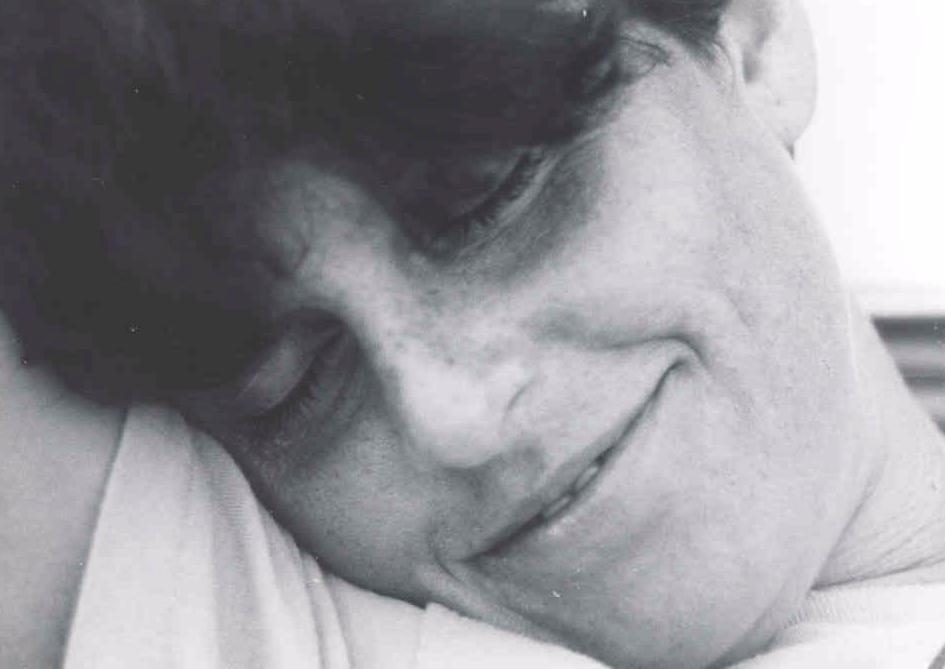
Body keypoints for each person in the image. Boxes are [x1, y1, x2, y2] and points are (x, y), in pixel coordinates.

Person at [2, 0, 944, 667]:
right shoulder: (259, 620)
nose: (451, 415)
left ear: (756, 39)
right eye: (294, 385)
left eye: (492, 198)